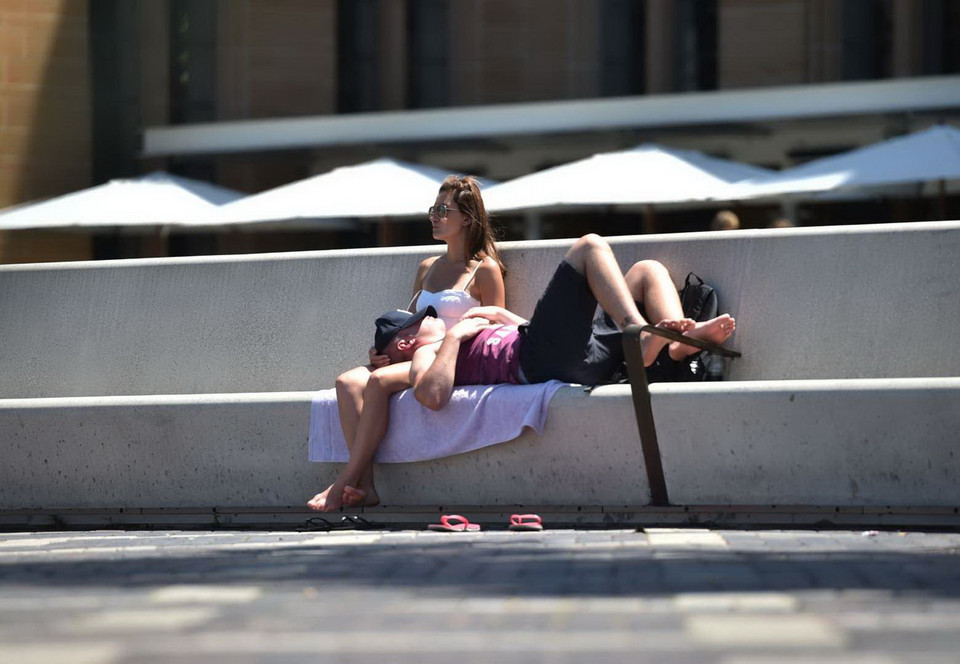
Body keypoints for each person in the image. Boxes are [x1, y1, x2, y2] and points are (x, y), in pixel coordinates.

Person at [308, 233, 736, 512]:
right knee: (588, 246)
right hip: (535, 359)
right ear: (406, 342)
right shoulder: (432, 351)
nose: (433, 318)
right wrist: (454, 339)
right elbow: (431, 397)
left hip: (565, 348)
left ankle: (674, 342)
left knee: (647, 270)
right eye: (422, 320)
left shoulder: (450, 334)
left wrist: (502, 317)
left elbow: (526, 327)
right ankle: (640, 334)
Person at [307, 175, 506, 511]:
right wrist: (382, 351)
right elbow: (408, 322)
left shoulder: (484, 269)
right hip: (414, 357)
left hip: (452, 359)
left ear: (466, 218)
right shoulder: (427, 266)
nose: (434, 216)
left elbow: (497, 326)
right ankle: (366, 486)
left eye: (443, 210)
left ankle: (344, 482)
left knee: (379, 381)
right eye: (433, 209)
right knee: (347, 381)